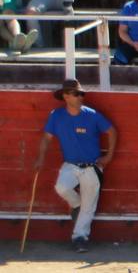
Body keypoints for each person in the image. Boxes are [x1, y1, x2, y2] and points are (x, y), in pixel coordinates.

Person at [33, 79, 117, 254]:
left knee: (89, 205)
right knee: (61, 187)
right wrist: (40, 158)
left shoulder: (92, 115)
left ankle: (80, 237)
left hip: (92, 166)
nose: (80, 97)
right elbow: (46, 138)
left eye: (81, 94)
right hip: (70, 165)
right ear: (65, 96)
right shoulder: (56, 115)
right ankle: (76, 204)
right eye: (76, 94)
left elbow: (111, 131)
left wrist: (108, 155)